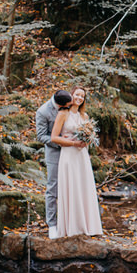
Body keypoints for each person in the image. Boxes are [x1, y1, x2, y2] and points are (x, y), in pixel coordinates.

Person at [49, 86, 102, 238]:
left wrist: (87, 141)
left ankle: (87, 226)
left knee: (84, 187)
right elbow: (54, 137)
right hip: (69, 155)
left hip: (82, 156)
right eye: (77, 94)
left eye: (82, 96)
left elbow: (91, 137)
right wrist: (73, 143)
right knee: (71, 187)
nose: (79, 98)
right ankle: (72, 227)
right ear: (71, 96)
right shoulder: (63, 114)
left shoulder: (84, 117)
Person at [35, 89, 71, 233]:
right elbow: (41, 136)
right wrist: (61, 142)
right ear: (59, 104)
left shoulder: (70, 105)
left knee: (71, 187)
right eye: (67, 105)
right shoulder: (43, 112)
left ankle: (69, 221)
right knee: (53, 188)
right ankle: (52, 225)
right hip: (54, 153)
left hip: (72, 154)